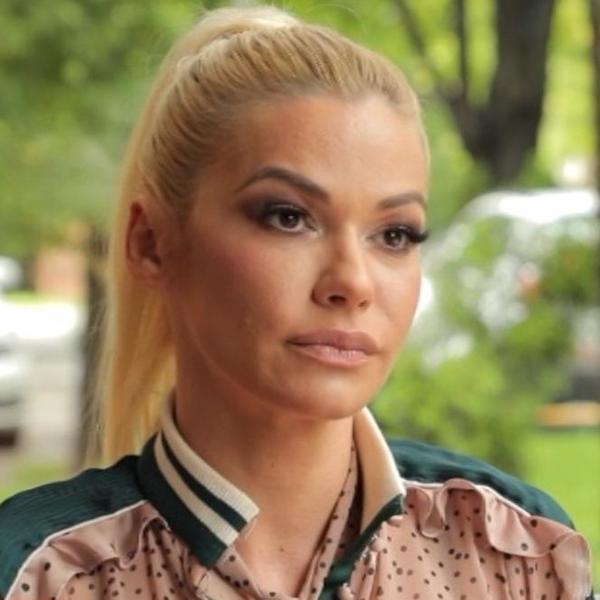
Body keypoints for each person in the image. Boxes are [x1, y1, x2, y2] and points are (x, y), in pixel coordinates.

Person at [0, 5, 593, 599]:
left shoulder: (516, 552)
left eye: (394, 234)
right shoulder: (42, 574)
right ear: (152, 243)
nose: (353, 282)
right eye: (288, 217)